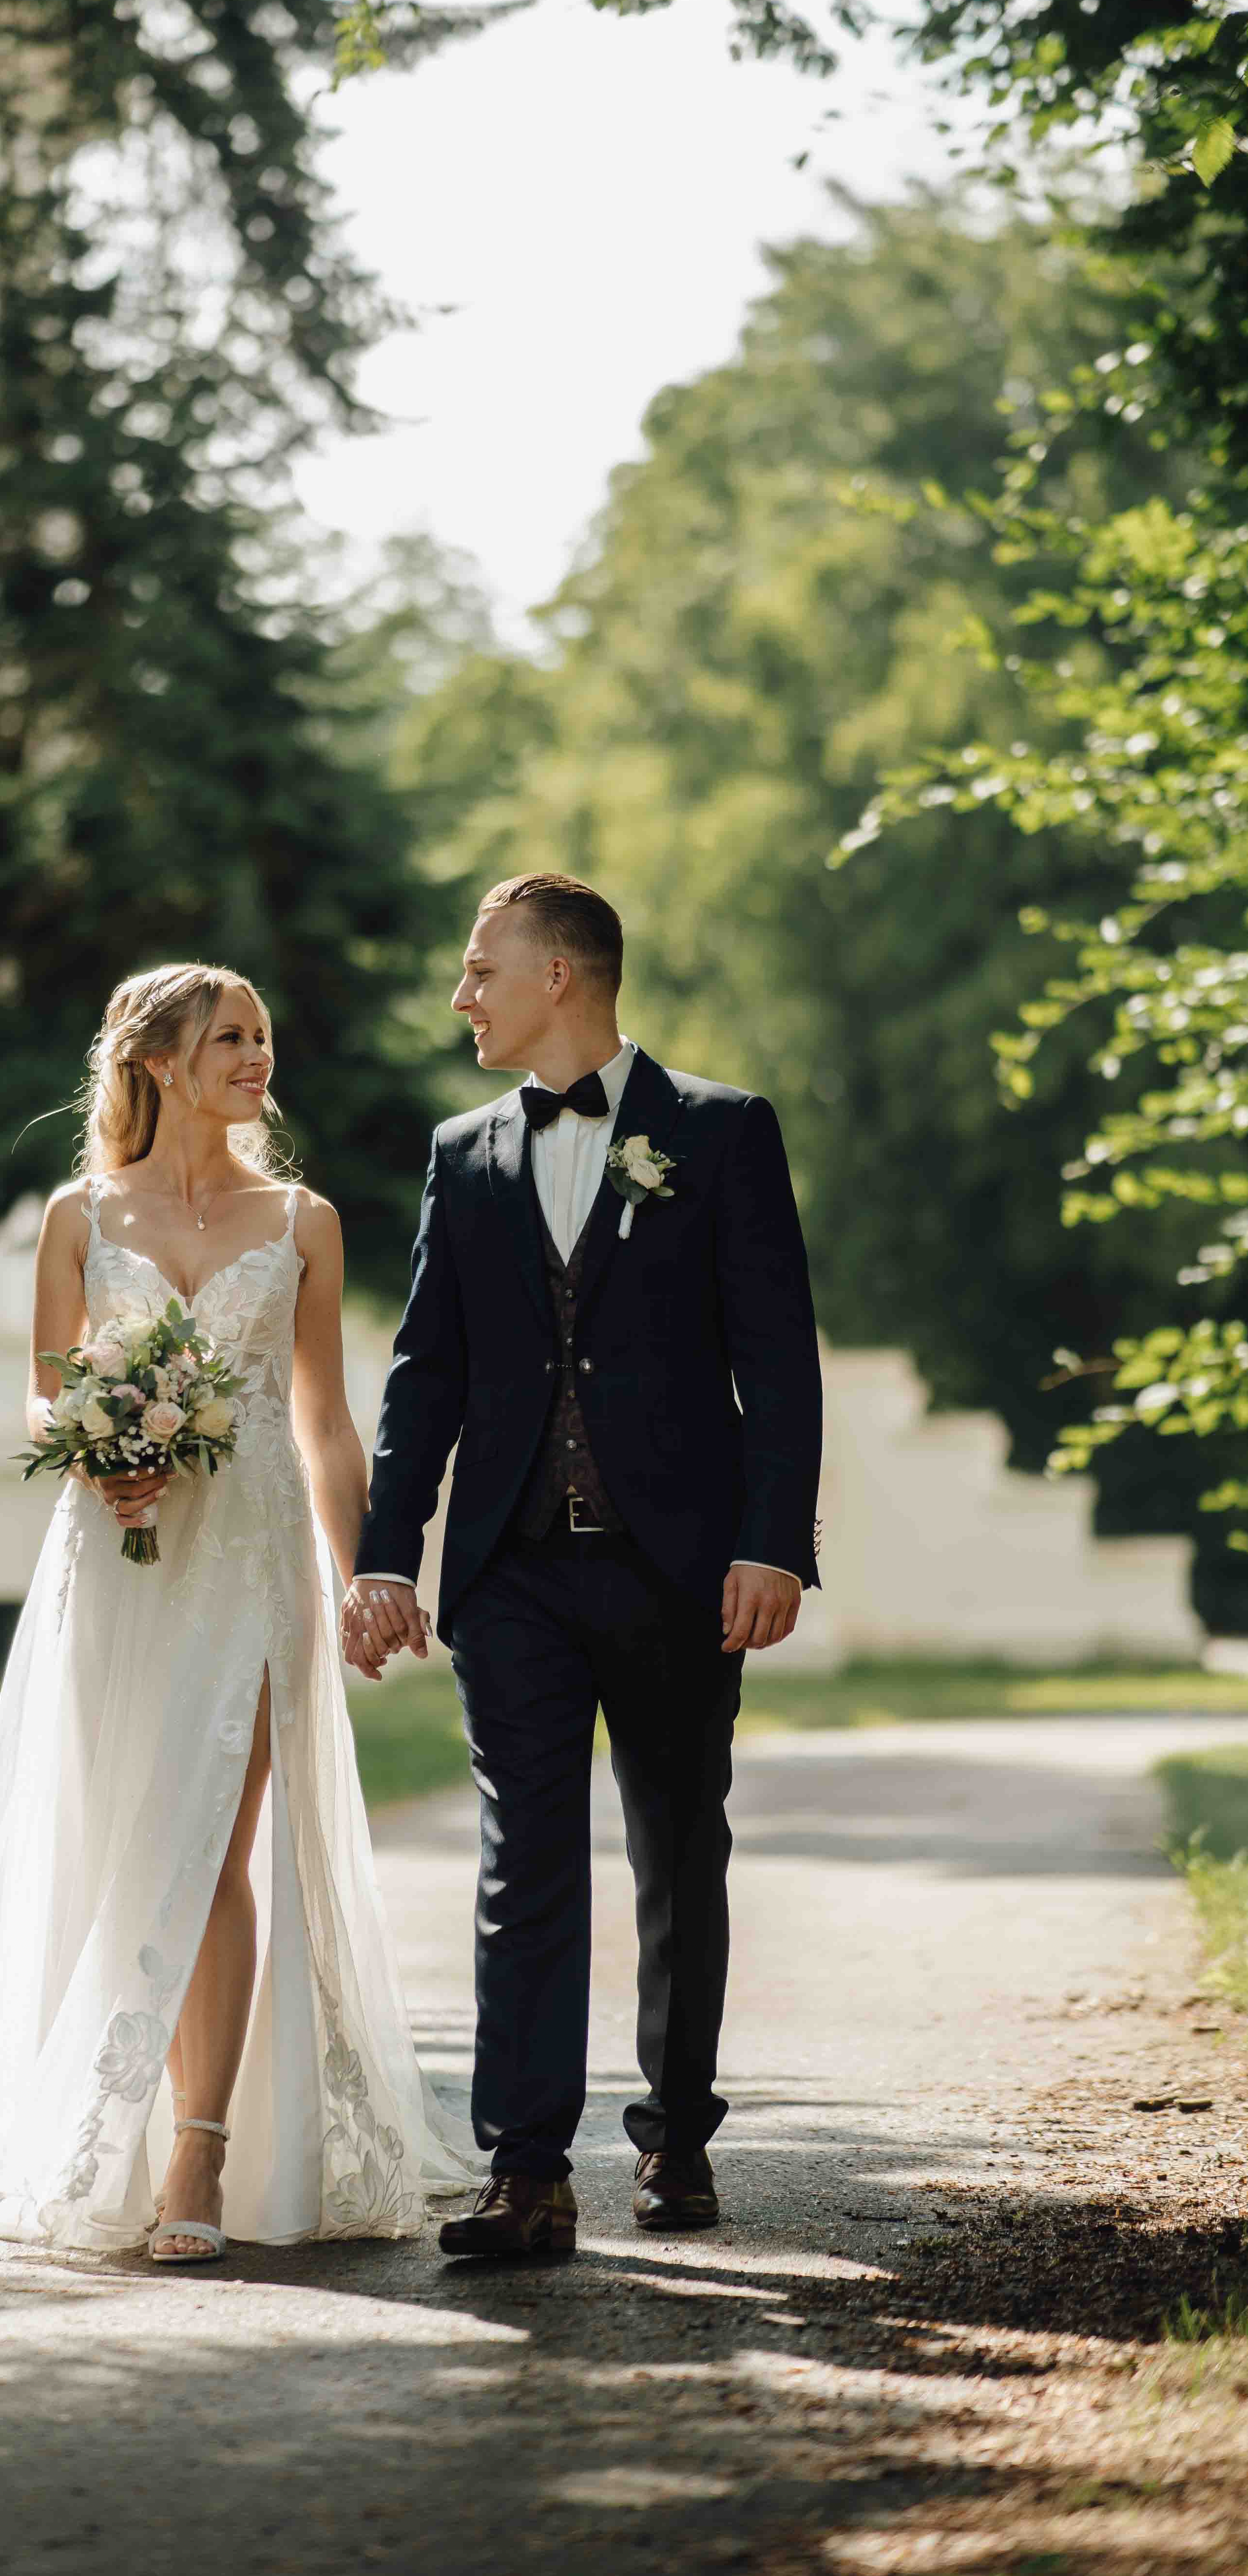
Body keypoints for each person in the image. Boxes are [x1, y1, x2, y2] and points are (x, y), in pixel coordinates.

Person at [0, 963, 471, 2264]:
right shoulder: (79, 1215)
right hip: (117, 1553)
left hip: (251, 1556)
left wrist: (370, 1571)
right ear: (154, 1059)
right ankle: (99, 2134)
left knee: (218, 1837)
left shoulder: (302, 1220)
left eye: (262, 1036)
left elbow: (322, 1419)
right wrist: (92, 1444)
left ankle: (199, 2149)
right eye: (229, 1038)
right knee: (125, 1833)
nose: (257, 1057)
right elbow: (44, 1389)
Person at [342, 874, 822, 2259]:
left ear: (557, 976)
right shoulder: (463, 1153)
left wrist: (771, 1543)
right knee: (524, 1868)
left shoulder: (720, 1131)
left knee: (679, 1849)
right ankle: (526, 2170)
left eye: (480, 969)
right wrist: (388, 1556)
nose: (462, 995)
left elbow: (776, 1357)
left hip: (680, 1568)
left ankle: (676, 2137)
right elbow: (425, 1375)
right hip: (512, 1576)